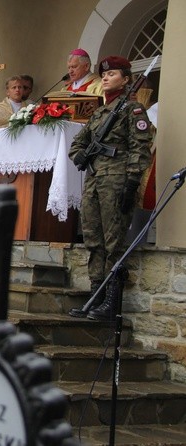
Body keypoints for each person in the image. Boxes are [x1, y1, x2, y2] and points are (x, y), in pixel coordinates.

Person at [68, 56, 153, 320]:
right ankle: (96, 295)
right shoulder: (99, 113)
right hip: (94, 180)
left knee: (113, 240)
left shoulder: (133, 109)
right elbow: (76, 145)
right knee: (93, 239)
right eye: (103, 75)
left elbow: (140, 148)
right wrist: (80, 155)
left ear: (126, 80)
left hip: (116, 180)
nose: (105, 77)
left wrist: (131, 182)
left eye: (112, 74)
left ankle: (112, 303)